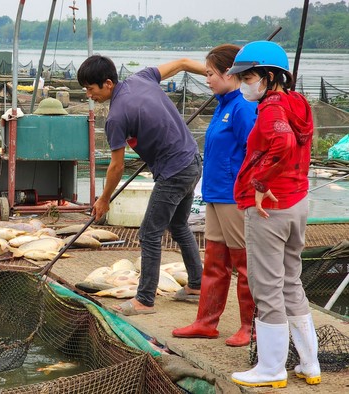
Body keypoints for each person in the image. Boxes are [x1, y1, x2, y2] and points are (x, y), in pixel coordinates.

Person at [77, 55, 205, 316]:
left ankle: (144, 300)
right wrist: (218, 76)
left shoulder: (115, 117)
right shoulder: (142, 77)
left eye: (91, 89)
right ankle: (196, 285)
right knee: (178, 224)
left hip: (174, 171)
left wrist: (104, 199)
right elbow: (181, 63)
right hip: (193, 161)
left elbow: (116, 166)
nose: (90, 95)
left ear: (108, 83)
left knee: (148, 233)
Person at [227, 41, 320, 388]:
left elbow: (281, 143)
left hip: (271, 209)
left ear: (268, 76)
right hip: (298, 202)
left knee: (267, 287)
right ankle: (310, 364)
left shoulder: (271, 109)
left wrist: (260, 182)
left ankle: (271, 368)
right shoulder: (299, 103)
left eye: (248, 76)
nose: (243, 83)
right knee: (292, 283)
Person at [172, 44, 258, 347]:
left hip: (234, 197)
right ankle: (206, 322)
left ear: (228, 73)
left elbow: (254, 151)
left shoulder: (242, 107)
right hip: (214, 194)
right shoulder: (222, 105)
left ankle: (250, 326)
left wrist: (249, 191)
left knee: (244, 263)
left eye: (210, 73)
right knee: (215, 262)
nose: (206, 79)